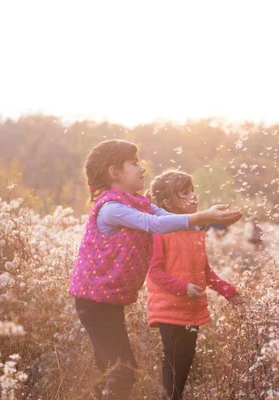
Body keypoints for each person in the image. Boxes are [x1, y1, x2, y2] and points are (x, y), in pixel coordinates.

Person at [68, 140, 242, 399]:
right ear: (114, 172)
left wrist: (206, 219)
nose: (142, 169)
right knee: (124, 371)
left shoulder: (138, 202)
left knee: (109, 370)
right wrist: (205, 216)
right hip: (93, 303)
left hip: (107, 302)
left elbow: (164, 217)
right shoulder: (111, 208)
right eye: (134, 163)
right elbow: (154, 224)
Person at [146, 169, 243, 400]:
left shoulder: (196, 233)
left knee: (184, 367)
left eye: (192, 191)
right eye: (184, 193)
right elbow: (154, 272)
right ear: (168, 203)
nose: (193, 197)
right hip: (169, 311)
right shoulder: (159, 232)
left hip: (192, 310)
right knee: (173, 366)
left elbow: (205, 272)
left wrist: (229, 292)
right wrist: (183, 288)